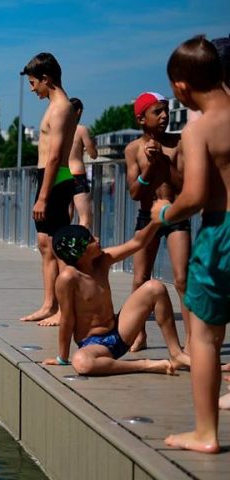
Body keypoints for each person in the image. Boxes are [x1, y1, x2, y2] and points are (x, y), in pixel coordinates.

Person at [153, 35, 230, 454]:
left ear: (181, 87)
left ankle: (205, 433)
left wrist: (165, 213)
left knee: (204, 336)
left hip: (222, 232)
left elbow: (196, 195)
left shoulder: (198, 129)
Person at [42, 224, 190, 376]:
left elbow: (137, 243)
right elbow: (67, 320)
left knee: (155, 287)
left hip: (120, 331)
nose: (97, 239)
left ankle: (176, 353)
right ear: (79, 252)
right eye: (90, 240)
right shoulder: (68, 279)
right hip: (94, 345)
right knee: (81, 362)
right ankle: (144, 365)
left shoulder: (102, 260)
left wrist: (157, 220)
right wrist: (62, 357)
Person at [124, 91, 190, 352]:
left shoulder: (179, 143)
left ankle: (191, 339)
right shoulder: (133, 150)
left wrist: (163, 159)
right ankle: (139, 334)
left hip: (175, 214)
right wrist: (150, 167)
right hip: (147, 216)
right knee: (140, 278)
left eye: (166, 111)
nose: (164, 116)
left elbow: (185, 186)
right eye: (157, 112)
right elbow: (134, 193)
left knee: (182, 279)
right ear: (142, 118)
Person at [19, 52, 77, 325]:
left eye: (33, 83)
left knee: (60, 245)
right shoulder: (53, 105)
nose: (32, 89)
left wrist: (43, 197)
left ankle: (65, 309)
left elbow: (55, 156)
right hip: (49, 175)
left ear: (47, 78)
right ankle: (49, 304)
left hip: (56, 176)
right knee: (45, 244)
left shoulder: (61, 107)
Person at [68, 98, 98, 229]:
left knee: (66, 216)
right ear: (79, 111)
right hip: (77, 175)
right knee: (85, 219)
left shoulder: (60, 130)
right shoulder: (80, 129)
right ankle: (80, 248)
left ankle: (62, 247)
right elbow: (93, 154)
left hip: (62, 175)